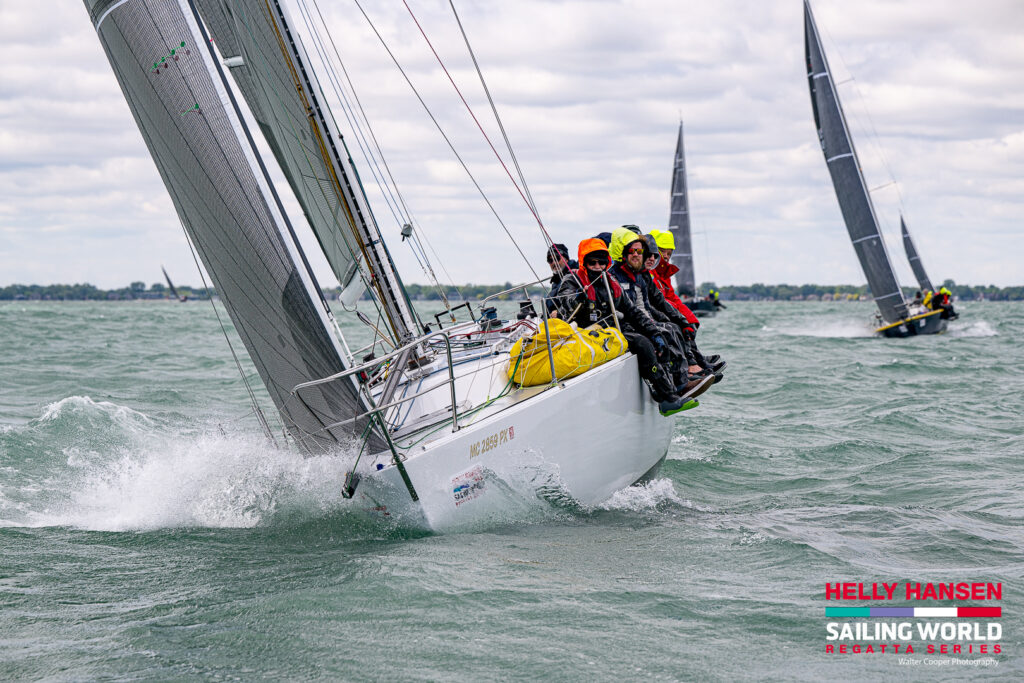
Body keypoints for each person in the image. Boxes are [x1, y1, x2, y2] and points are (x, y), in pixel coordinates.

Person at [553, 238, 704, 415]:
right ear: (584, 262)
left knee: (659, 338)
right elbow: (564, 304)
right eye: (592, 262)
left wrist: (655, 333)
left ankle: (670, 390)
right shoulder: (572, 280)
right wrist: (580, 297)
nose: (597, 266)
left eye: (601, 262)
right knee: (643, 344)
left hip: (611, 330)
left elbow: (633, 312)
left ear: (606, 263)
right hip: (583, 332)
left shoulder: (611, 282)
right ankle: (667, 398)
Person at [607, 228, 720, 397]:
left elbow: (658, 302)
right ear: (623, 252)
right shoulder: (614, 277)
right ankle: (680, 382)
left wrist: (683, 321)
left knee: (673, 327)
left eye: (643, 252)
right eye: (634, 251)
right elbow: (634, 310)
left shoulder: (640, 275)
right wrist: (654, 329)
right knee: (665, 331)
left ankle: (689, 371)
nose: (648, 258)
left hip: (642, 321)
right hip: (628, 327)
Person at [543, 243, 576, 316]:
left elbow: (574, 300)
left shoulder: (574, 275)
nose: (554, 263)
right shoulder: (556, 279)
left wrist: (559, 313)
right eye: (550, 260)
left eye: (557, 258)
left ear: (566, 259)